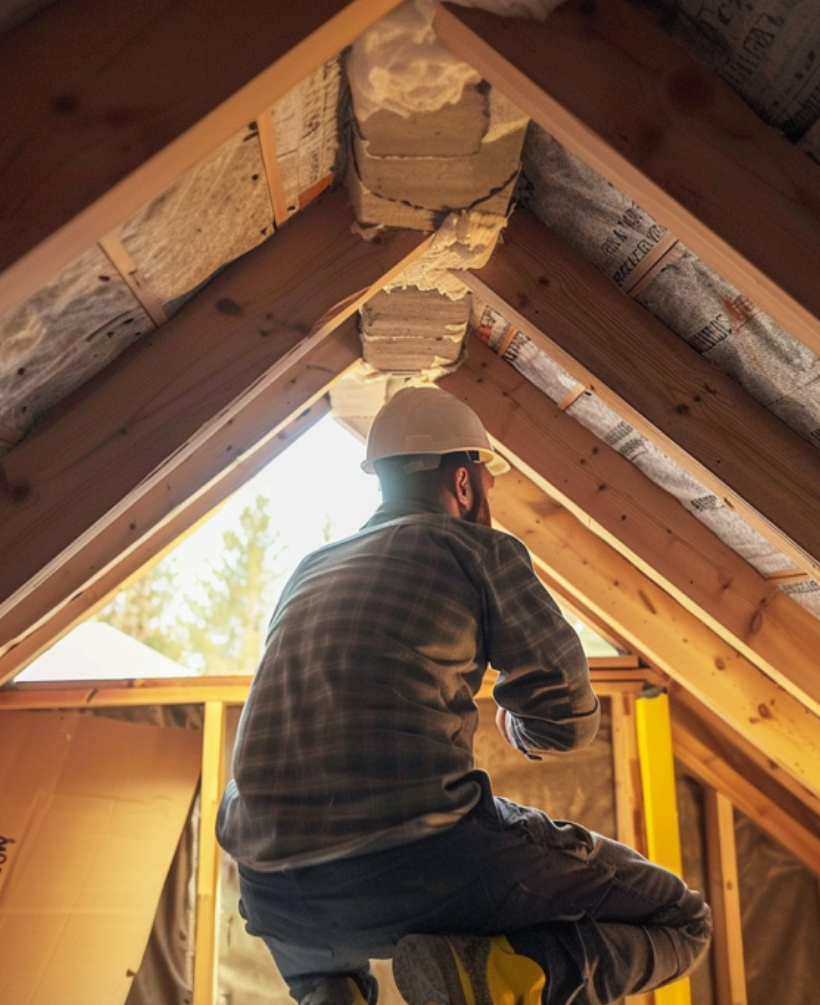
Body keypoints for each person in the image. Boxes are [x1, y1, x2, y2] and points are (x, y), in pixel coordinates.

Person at [217, 386, 711, 1005]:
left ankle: (327, 990)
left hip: (270, 883)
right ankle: (505, 976)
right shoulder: (479, 551)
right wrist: (518, 725)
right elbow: (568, 718)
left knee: (328, 985)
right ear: (464, 482)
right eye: (486, 481)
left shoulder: (311, 568)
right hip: (413, 860)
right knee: (681, 921)